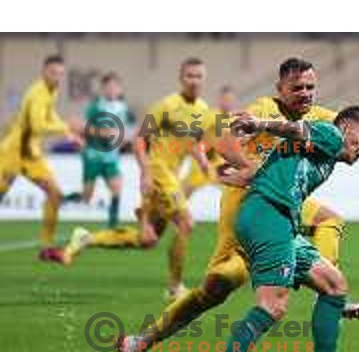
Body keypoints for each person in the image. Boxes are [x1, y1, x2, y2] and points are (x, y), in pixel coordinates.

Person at [115, 58, 359, 352]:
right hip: (245, 204)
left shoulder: (317, 115)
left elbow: (352, 131)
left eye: (310, 86)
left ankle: (327, 293)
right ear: (280, 89)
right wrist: (246, 166)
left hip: (280, 207)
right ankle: (143, 343)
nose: (306, 93)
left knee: (329, 220)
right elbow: (222, 138)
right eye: (297, 88)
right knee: (214, 290)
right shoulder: (263, 108)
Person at [124, 107, 359, 352]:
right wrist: (260, 124)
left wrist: (248, 172)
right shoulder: (332, 134)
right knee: (272, 306)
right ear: (346, 127)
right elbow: (295, 129)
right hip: (267, 216)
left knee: (333, 285)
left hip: (278, 221)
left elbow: (276, 159)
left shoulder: (325, 154)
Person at [59, 58, 214, 299]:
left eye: (198, 76)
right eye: (189, 76)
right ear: (180, 78)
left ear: (204, 79)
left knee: (146, 239)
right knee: (185, 222)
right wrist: (146, 172)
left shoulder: (204, 110)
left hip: (172, 176)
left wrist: (202, 159)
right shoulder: (165, 106)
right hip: (159, 172)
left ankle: (86, 238)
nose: (194, 81)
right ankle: (175, 288)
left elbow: (192, 141)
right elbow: (140, 140)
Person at [0, 55, 82, 258]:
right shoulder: (37, 93)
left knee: (54, 195)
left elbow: (50, 115)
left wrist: (68, 133)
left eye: (61, 74)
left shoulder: (51, 91)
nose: (57, 77)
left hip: (30, 154)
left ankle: (46, 247)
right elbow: (38, 125)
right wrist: (66, 126)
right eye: (53, 73)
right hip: (13, 152)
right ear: (43, 71)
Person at [81, 72, 135, 227]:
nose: (112, 90)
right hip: (93, 156)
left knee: (117, 189)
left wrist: (125, 138)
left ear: (120, 89)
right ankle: (63, 199)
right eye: (108, 86)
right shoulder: (96, 107)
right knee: (86, 197)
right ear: (103, 89)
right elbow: (87, 129)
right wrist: (106, 134)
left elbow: (124, 131)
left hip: (111, 158)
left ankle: (112, 225)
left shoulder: (122, 108)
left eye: (115, 86)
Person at [181, 85, 236, 198]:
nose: (228, 103)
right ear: (219, 100)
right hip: (202, 162)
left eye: (230, 100)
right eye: (225, 99)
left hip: (219, 163)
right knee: (185, 191)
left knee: (233, 189)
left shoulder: (233, 119)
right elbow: (194, 135)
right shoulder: (210, 115)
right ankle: (168, 210)